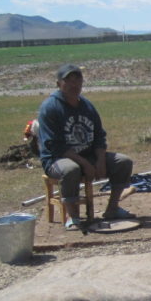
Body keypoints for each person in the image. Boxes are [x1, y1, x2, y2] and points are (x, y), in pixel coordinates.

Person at [37, 64, 135, 230]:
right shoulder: (50, 108)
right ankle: (73, 216)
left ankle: (112, 209)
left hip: (87, 155)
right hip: (57, 159)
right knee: (70, 170)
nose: (74, 85)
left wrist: (101, 160)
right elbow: (55, 146)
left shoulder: (87, 106)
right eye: (68, 81)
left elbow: (99, 136)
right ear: (59, 84)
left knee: (123, 162)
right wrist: (85, 164)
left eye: (77, 80)